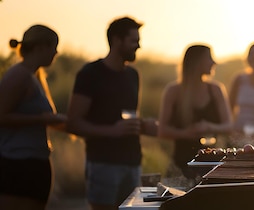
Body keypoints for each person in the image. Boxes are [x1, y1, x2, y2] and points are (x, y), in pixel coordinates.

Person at [66, 17, 156, 210]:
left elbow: (129, 117)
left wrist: (143, 126)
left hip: (133, 162)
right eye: (134, 41)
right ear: (116, 40)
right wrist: (112, 131)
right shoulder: (90, 74)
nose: (139, 46)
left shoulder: (133, 75)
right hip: (103, 164)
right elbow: (72, 123)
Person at [0, 25, 66, 210]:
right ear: (40, 48)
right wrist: (41, 119)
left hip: (32, 165)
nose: (56, 52)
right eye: (53, 47)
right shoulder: (18, 75)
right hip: (17, 166)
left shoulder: (34, 76)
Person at [158, 44, 232, 180]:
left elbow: (229, 127)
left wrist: (209, 127)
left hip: (212, 166)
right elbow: (162, 130)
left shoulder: (216, 90)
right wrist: (186, 134)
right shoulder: (173, 91)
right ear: (197, 62)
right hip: (180, 166)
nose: (214, 62)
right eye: (209, 58)